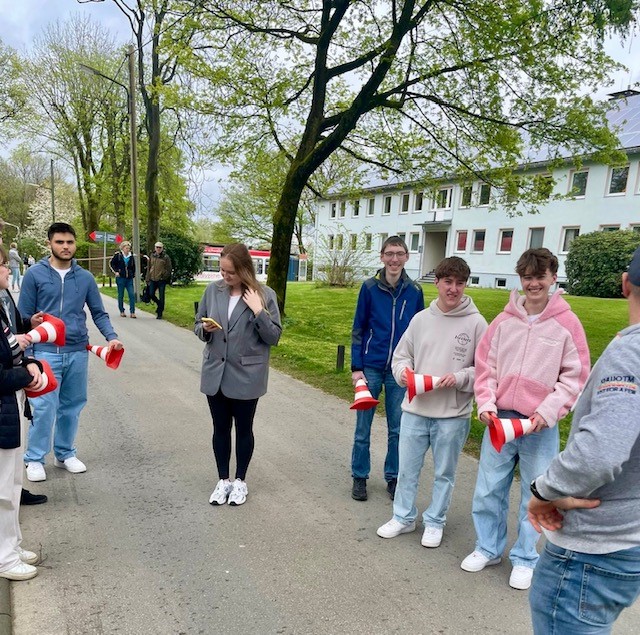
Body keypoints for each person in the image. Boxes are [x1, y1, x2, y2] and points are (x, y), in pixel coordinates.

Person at [460, 248, 590, 590]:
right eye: (527, 278)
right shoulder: (504, 321)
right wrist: (485, 403)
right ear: (521, 279)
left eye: (540, 277)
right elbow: (486, 366)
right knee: (489, 488)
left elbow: (574, 378)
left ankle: (525, 557)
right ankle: (487, 547)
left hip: (539, 426)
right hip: (500, 420)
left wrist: (544, 415)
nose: (533, 284)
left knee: (536, 493)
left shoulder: (567, 324)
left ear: (553, 279)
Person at [527, 246, 640, 634]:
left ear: (624, 284)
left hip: (594, 549)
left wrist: (543, 491)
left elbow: (599, 453)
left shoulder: (630, 354)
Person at [377, 257, 487, 547]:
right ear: (436, 282)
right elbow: (401, 357)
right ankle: (403, 517)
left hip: (453, 413)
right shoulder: (421, 319)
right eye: (447, 282)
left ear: (465, 285)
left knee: (444, 472)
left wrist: (462, 377)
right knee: (407, 469)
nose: (453, 289)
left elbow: (487, 371)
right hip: (416, 408)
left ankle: (435, 521)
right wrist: (404, 374)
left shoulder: (476, 323)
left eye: (459, 283)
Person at [18, 222, 123, 482]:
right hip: (45, 351)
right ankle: (34, 458)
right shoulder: (35, 275)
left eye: (70, 242)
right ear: (50, 244)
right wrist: (29, 335)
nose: (66, 247)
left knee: (72, 406)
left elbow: (98, 312)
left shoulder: (85, 278)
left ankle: (64, 454)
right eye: (60, 242)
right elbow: (22, 316)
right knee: (43, 406)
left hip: (77, 350)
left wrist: (112, 338)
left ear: (75, 244)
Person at [194, 243, 281, 506]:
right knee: (220, 428)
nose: (225, 276)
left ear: (244, 270)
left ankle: (240, 481)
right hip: (215, 371)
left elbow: (273, 336)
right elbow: (198, 325)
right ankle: (223, 481)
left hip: (247, 374)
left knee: (244, 429)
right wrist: (205, 329)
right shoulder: (213, 290)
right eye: (222, 270)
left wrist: (257, 310)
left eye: (230, 272)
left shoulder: (265, 295)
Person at [350, 236, 424, 502]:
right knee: (363, 428)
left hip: (399, 370)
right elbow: (358, 328)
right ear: (381, 256)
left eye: (399, 254)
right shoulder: (369, 288)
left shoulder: (414, 292)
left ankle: (393, 476)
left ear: (406, 257)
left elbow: (420, 333)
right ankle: (359, 476)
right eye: (389, 254)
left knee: (398, 429)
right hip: (370, 366)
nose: (394, 259)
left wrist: (416, 366)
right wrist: (356, 367)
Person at [0, 245, 44, 580]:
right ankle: (4, 558)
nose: (8, 270)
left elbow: (12, 348)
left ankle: (12, 546)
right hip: (3, 403)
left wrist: (28, 363)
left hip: (11, 403)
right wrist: (24, 374)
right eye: (3, 265)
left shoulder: (3, 303)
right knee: (2, 487)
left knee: (14, 482)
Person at [109, 240, 137, 318]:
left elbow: (133, 266)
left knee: (131, 294)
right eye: (126, 248)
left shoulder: (131, 256)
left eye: (129, 248)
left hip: (129, 279)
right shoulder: (118, 255)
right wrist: (116, 272)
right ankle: (122, 310)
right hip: (120, 278)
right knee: (121, 295)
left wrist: (133, 274)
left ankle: (132, 312)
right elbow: (112, 264)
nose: (127, 250)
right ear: (123, 248)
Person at [147, 241, 172, 319]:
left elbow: (169, 269)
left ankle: (160, 313)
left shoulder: (166, 257)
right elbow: (149, 267)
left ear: (162, 248)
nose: (158, 249)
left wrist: (163, 277)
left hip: (161, 280)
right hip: (152, 278)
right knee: (151, 294)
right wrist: (147, 277)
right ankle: (159, 305)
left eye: (160, 247)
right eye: (157, 247)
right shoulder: (152, 256)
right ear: (155, 248)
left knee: (161, 296)